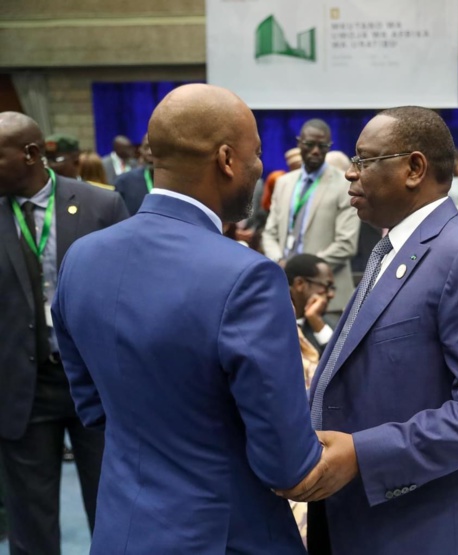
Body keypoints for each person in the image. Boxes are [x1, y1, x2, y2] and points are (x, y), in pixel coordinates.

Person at [51, 84, 326, 553]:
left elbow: (93, 409)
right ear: (226, 159)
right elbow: (287, 463)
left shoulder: (81, 257)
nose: (260, 167)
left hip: (122, 529)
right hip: (225, 536)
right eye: (257, 153)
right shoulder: (249, 276)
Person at [280, 106, 458, 555]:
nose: (350, 174)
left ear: (414, 168)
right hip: (364, 518)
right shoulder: (393, 249)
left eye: (364, 160)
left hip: (426, 525)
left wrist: (363, 455)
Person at [0, 111, 129, 554]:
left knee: (113, 508)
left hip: (96, 384)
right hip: (22, 388)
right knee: (29, 521)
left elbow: (131, 293)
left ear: (30, 154)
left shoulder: (101, 206)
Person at [262, 119, 360, 317]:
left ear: (329, 146)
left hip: (328, 297)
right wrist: (279, 261)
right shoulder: (283, 182)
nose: (316, 151)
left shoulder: (344, 184)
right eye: (309, 144)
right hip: (285, 292)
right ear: (299, 143)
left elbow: (346, 244)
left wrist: (303, 271)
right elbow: (269, 233)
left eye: (322, 146)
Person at [285, 253, 336, 359]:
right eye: (326, 286)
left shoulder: (329, 324)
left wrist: (317, 324)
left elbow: (341, 363)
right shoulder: (272, 323)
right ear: (300, 284)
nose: (331, 294)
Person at [114, 133, 153, 216]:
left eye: (154, 148)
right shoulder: (124, 182)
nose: (150, 152)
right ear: (140, 150)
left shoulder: (176, 181)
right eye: (146, 147)